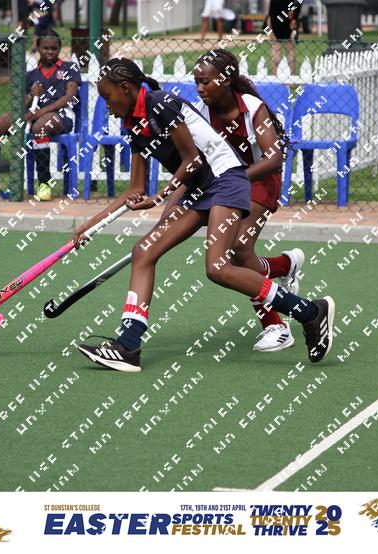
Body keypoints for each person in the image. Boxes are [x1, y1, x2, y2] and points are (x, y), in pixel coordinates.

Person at [73, 58, 335, 372]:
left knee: (218, 267)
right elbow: (135, 188)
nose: (106, 105)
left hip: (226, 181)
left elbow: (193, 160)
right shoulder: (132, 123)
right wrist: (90, 225)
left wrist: (162, 196)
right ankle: (128, 346)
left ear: (125, 88)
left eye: (107, 96)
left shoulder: (161, 104)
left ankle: (309, 312)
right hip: (198, 188)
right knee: (143, 251)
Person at [187, 48, 304, 352]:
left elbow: (274, 158)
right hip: (229, 184)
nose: (199, 88)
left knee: (238, 247)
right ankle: (284, 266)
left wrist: (235, 178)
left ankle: (276, 326)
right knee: (236, 251)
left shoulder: (253, 108)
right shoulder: (203, 113)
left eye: (205, 82)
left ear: (225, 80)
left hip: (260, 179)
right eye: (196, 82)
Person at [0, 31, 81, 201]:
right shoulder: (31, 74)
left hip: (60, 115)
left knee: (40, 128)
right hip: (32, 113)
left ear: (59, 49)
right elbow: (22, 103)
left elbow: (70, 97)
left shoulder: (69, 68)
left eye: (54, 48)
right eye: (46, 48)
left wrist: (42, 111)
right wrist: (31, 95)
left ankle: (44, 185)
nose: (50, 51)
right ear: (38, 48)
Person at [267, 0, 301, 75]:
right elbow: (297, 6)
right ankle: (292, 76)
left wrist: (270, 30)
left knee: (276, 48)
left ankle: (275, 76)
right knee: (289, 50)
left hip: (277, 23)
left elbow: (271, 14)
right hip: (289, 21)